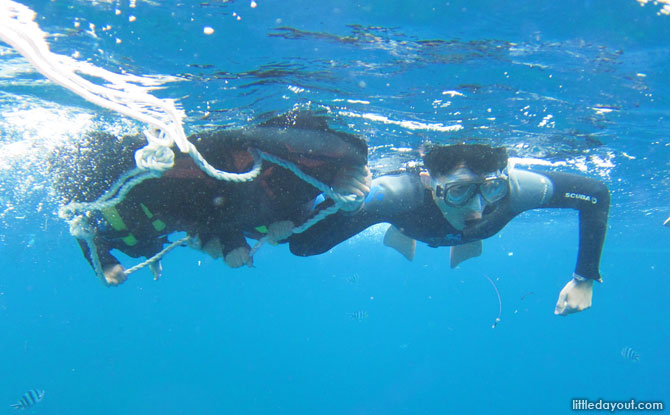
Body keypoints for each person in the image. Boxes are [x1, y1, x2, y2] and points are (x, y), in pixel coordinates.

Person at [51, 111, 370, 286]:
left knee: (289, 233)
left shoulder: (142, 185)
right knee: (294, 238)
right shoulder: (128, 221)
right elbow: (209, 211)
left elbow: (212, 205)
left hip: (234, 179)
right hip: (233, 196)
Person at [289, 144, 610, 316]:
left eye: (493, 189)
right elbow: (303, 245)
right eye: (458, 192)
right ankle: (401, 234)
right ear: (429, 181)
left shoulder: (520, 188)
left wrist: (585, 278)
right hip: (411, 223)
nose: (478, 208)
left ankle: (443, 232)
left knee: (471, 230)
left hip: (451, 233)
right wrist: (349, 202)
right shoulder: (398, 194)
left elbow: (595, 194)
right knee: (407, 221)